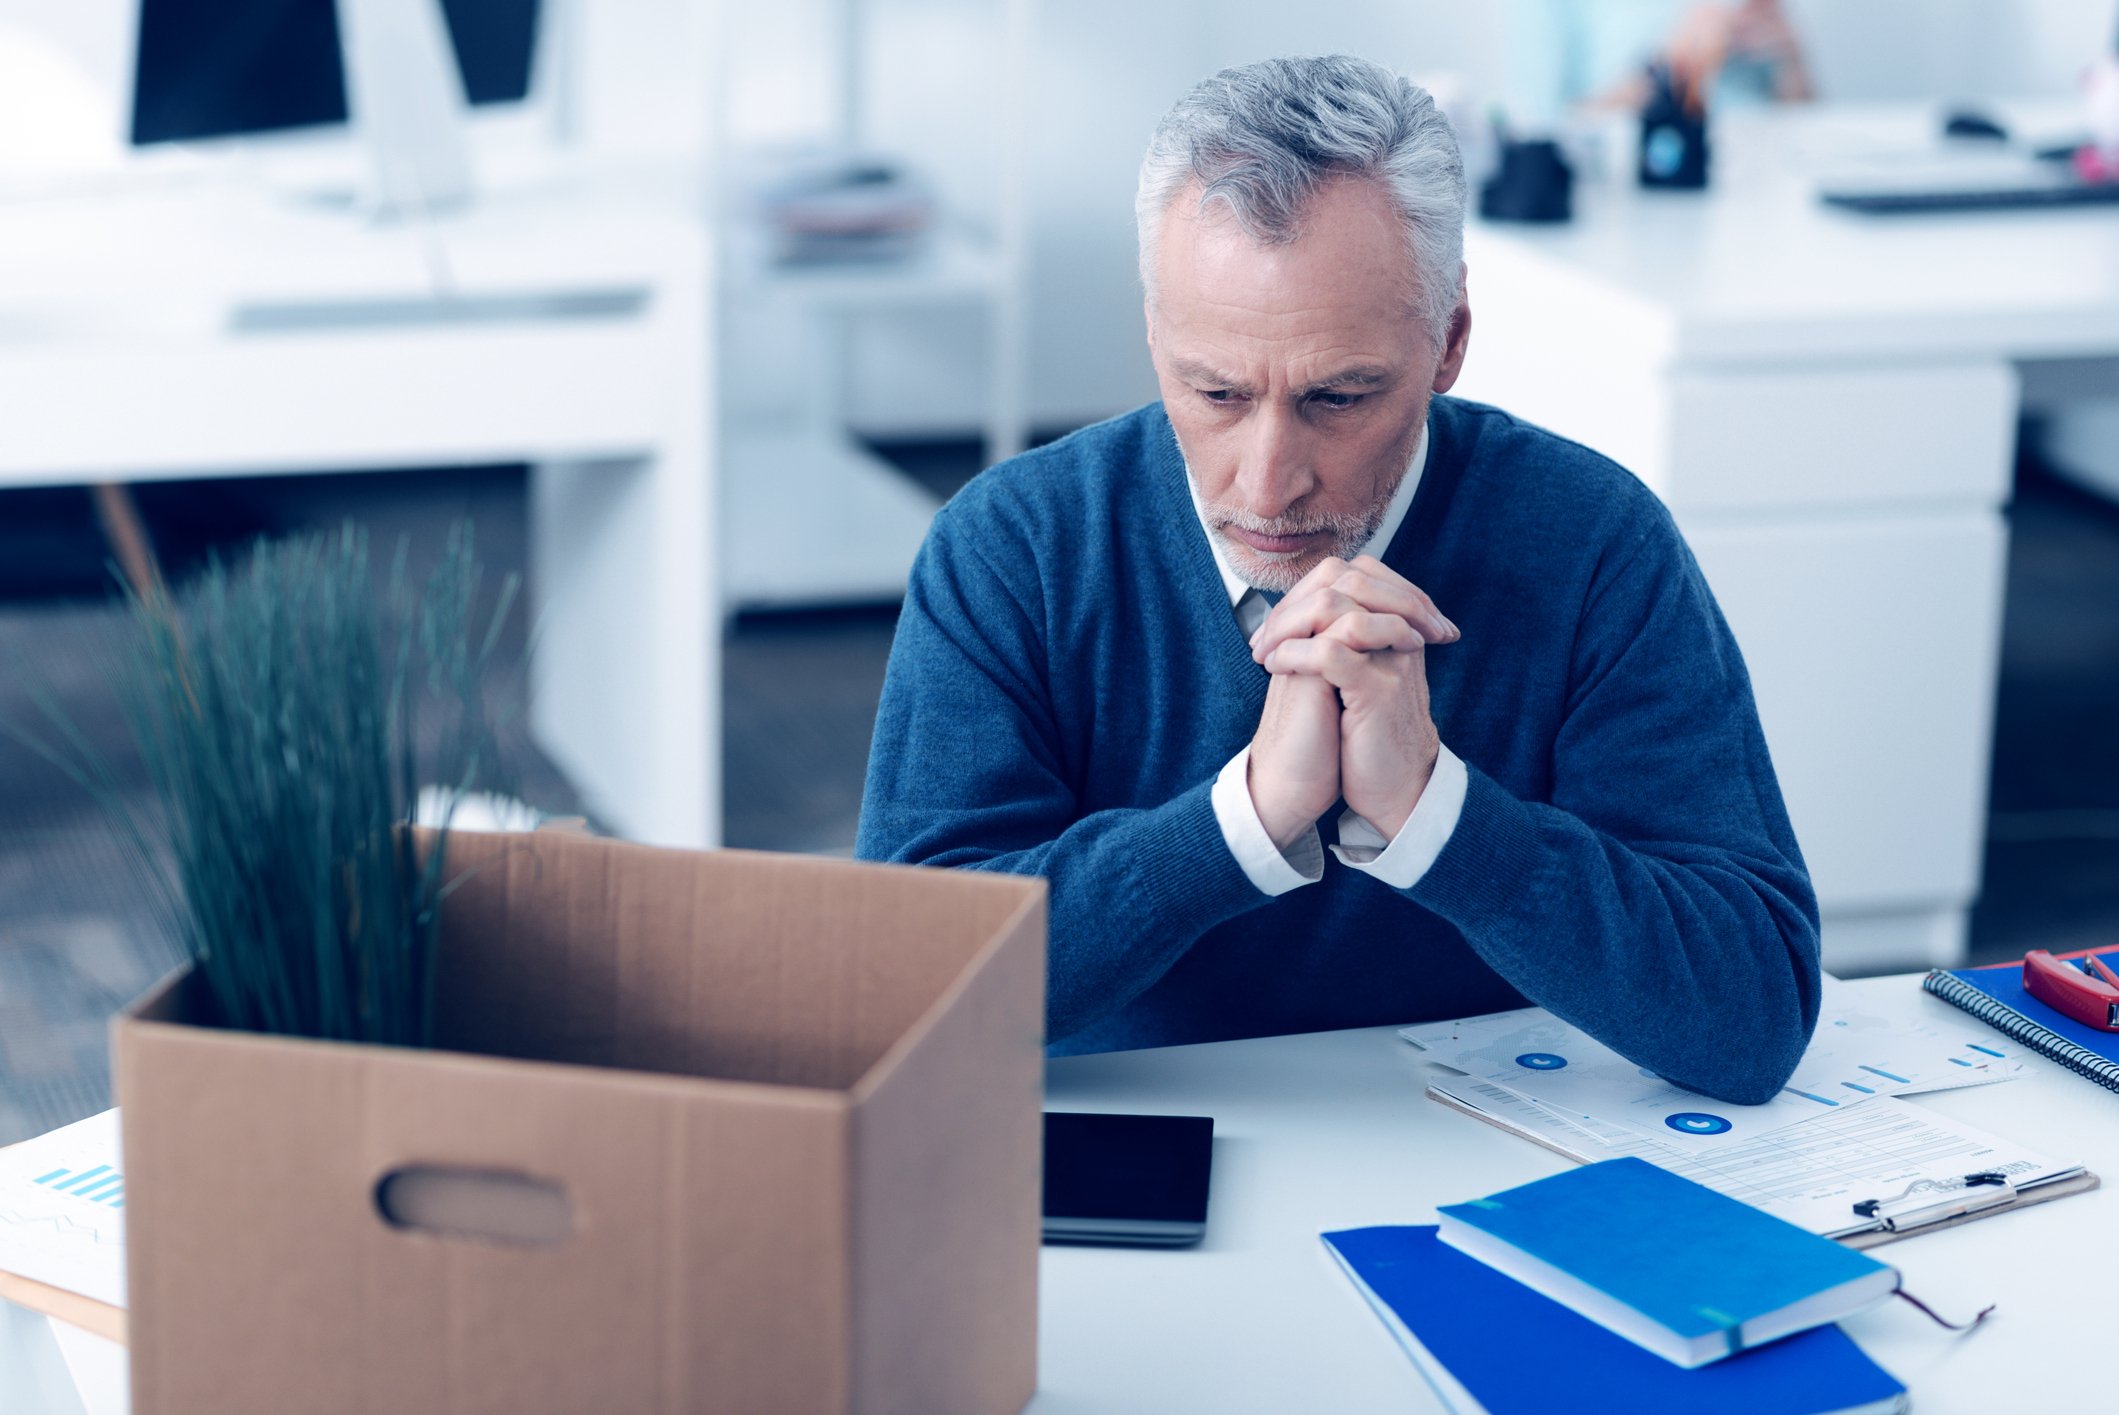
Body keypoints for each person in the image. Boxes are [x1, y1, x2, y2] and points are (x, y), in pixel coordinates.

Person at [856, 55, 1819, 1104]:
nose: (1268, 482)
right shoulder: (1014, 547)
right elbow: (902, 996)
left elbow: (1752, 1017)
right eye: (1213, 390)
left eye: (1340, 397)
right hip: (1127, 1161)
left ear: (1447, 343)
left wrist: (1437, 811)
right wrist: (1242, 822)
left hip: (1485, 1162)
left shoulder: (1592, 542)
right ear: (1152, 335)